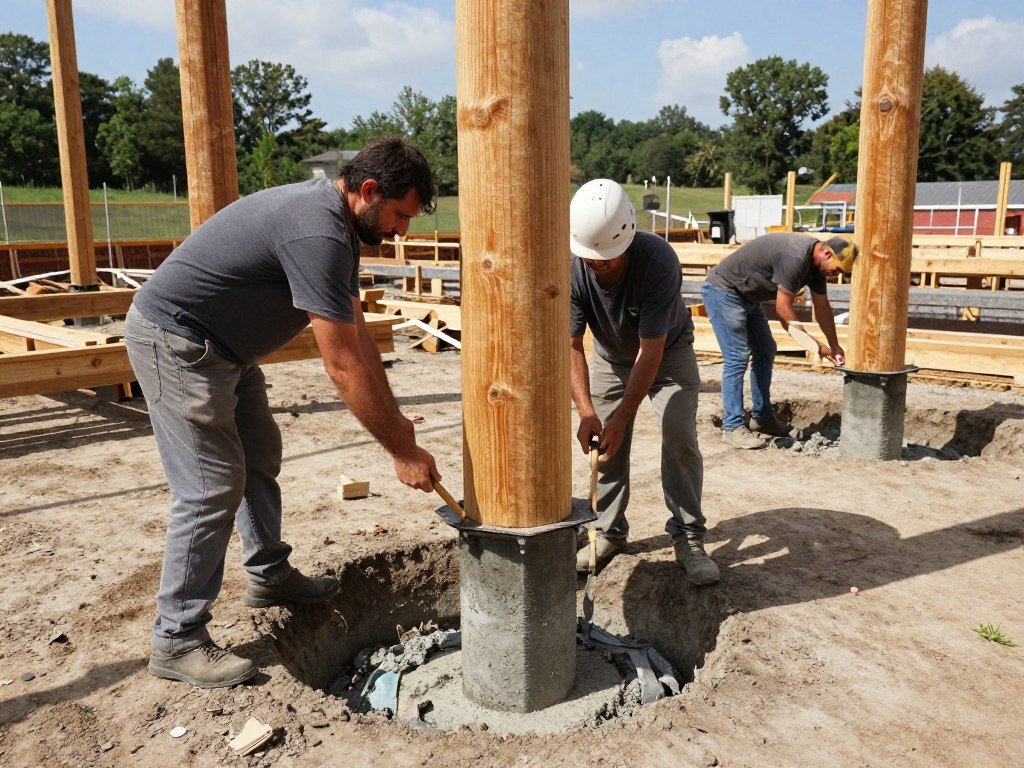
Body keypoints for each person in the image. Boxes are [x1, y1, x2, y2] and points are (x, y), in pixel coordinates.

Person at [124, 137, 440, 688]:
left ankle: (269, 573)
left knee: (261, 454)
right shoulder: (318, 231)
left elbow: (360, 337)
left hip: (226, 351)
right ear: (368, 191)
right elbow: (341, 366)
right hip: (178, 342)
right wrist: (399, 450)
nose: (402, 231)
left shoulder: (340, 228)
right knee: (211, 485)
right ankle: (176, 638)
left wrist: (399, 425)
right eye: (399, 214)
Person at [569, 179, 718, 586]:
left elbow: (649, 353)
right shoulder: (573, 265)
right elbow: (571, 345)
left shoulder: (658, 261)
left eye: (606, 260)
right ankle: (609, 532)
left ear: (627, 240)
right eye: (590, 260)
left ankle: (689, 538)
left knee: (678, 436)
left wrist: (621, 417)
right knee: (605, 448)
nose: (596, 266)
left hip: (668, 353)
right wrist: (587, 412)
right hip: (609, 355)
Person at [700, 232, 852, 449]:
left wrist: (834, 344)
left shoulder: (817, 268)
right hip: (724, 290)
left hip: (748, 296)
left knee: (765, 349)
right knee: (737, 355)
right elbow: (783, 311)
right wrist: (815, 345)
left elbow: (822, 309)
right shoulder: (796, 257)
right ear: (826, 252)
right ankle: (732, 427)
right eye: (837, 268)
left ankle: (761, 418)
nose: (836, 274)